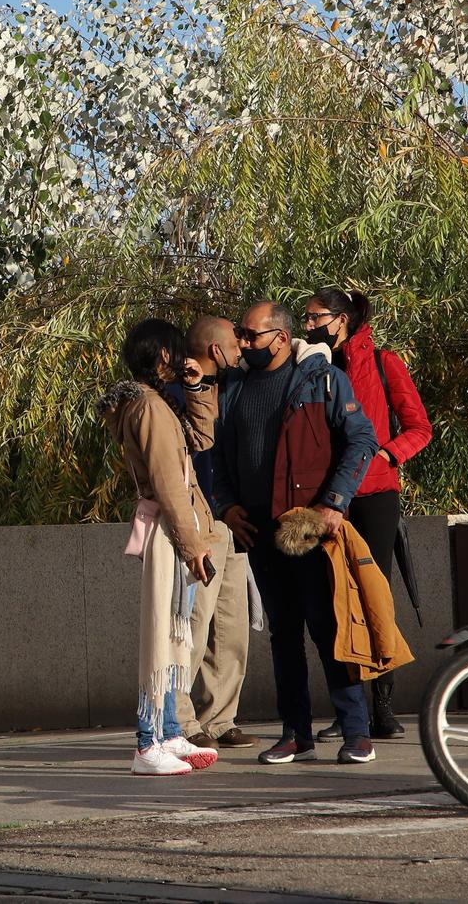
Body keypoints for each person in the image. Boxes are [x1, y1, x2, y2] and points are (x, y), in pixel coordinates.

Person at [210, 301, 381, 766]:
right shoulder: (235, 386)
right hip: (259, 531)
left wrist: (334, 503)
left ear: (281, 339)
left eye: (250, 335)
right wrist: (225, 506)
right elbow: (216, 456)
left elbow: (362, 440)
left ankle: (355, 730)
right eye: (241, 336)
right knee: (283, 634)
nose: (242, 344)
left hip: (308, 529)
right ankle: (295, 734)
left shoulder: (321, 379)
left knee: (329, 628)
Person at [302, 287, 431, 740]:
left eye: (315, 317)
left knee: (374, 595)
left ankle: (384, 706)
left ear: (341, 319)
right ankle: (349, 709)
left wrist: (388, 457)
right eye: (305, 318)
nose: (309, 325)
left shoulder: (382, 361)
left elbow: (419, 427)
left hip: (375, 495)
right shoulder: (311, 368)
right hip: (326, 499)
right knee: (337, 600)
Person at [103, 318, 221, 776]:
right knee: (161, 633)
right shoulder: (148, 406)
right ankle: (146, 741)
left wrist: (198, 389)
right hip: (172, 529)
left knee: (174, 632)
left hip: (177, 528)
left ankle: (169, 731)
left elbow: (201, 440)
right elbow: (170, 484)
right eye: (176, 352)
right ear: (162, 355)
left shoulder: (154, 402)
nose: (182, 359)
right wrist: (193, 545)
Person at [171, 315, 255, 751]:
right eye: (234, 344)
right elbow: (196, 449)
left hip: (232, 522)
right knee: (194, 625)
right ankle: (182, 719)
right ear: (216, 351)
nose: (242, 348)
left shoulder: (237, 385)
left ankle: (221, 718)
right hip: (198, 523)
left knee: (231, 627)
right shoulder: (174, 393)